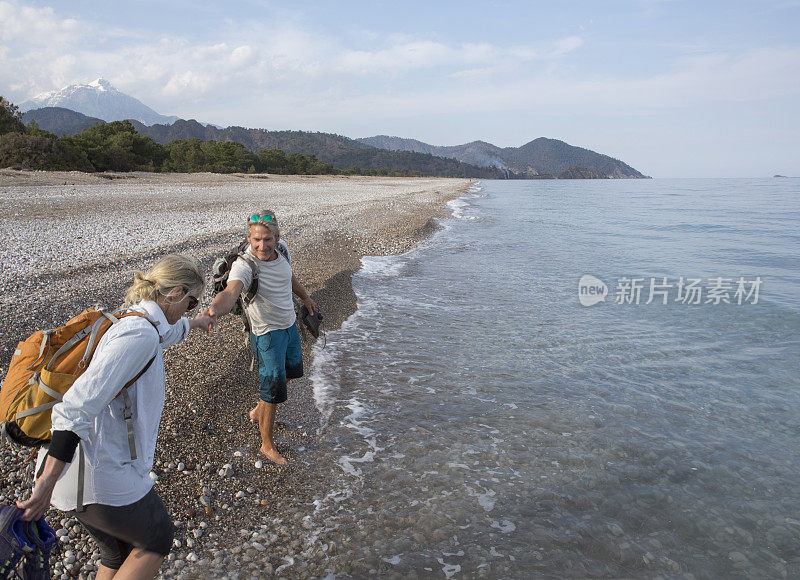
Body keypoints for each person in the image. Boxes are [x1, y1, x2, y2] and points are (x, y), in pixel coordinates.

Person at [17, 254, 213, 579]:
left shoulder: (134, 321)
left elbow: (165, 332)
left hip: (79, 476)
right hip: (93, 475)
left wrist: (194, 322)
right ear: (176, 293)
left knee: (117, 553)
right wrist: (45, 484)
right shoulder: (138, 335)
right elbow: (77, 406)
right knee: (156, 537)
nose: (188, 309)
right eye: (191, 304)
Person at [208, 210, 316, 465]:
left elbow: (288, 277)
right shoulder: (245, 265)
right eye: (256, 239)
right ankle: (267, 445)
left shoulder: (283, 250)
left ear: (277, 237)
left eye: (267, 239)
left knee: (292, 373)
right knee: (272, 393)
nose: (262, 245)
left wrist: (305, 297)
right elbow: (231, 291)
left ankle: (258, 410)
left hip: (289, 327)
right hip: (267, 335)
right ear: (249, 238)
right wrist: (214, 310)